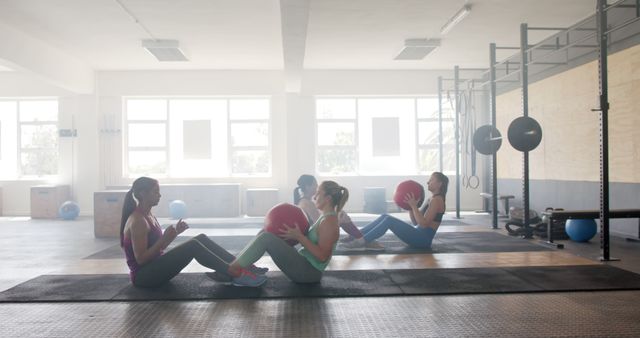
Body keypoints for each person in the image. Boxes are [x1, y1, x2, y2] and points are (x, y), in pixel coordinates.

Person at [120, 177, 268, 288]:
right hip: (144, 277)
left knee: (200, 238)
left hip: (154, 267)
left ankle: (242, 266)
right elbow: (141, 259)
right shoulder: (138, 220)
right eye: (155, 192)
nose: (159, 195)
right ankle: (237, 274)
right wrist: (163, 239)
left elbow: (157, 249)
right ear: (142, 193)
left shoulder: (149, 215)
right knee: (194, 246)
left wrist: (173, 235)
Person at [226, 180, 349, 286]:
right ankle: (242, 264)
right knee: (266, 232)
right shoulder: (325, 218)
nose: (315, 196)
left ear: (328, 198)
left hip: (308, 273)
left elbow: (322, 257)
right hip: (303, 264)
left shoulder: (329, 222)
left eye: (318, 193)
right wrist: (293, 234)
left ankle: (233, 270)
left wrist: (299, 237)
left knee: (267, 238)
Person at [358, 172, 449, 250]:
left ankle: (361, 241)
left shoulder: (437, 200)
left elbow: (424, 224)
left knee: (389, 221)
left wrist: (414, 206)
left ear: (439, 184)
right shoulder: (431, 199)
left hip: (423, 240)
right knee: (385, 216)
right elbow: (416, 222)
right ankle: (357, 235)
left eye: (431, 180)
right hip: (417, 233)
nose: (428, 182)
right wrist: (410, 207)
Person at [293, 174, 366, 250]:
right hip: (314, 237)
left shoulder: (305, 201)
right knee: (343, 216)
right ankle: (359, 239)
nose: (317, 186)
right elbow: (318, 225)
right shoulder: (307, 203)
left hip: (314, 234)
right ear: (307, 187)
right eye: (315, 184)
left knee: (340, 214)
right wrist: (338, 221)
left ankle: (356, 238)